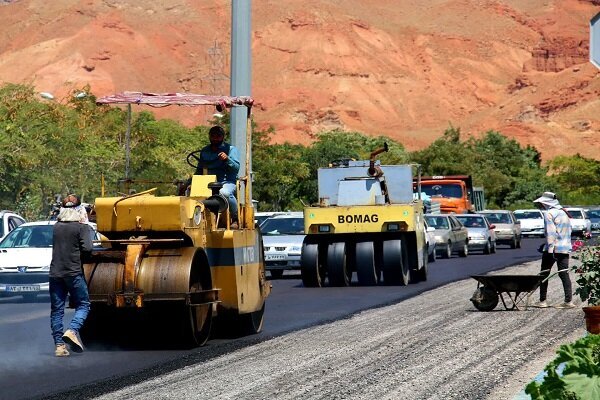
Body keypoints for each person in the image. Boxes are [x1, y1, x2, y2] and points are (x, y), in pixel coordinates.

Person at [49, 194, 94, 356]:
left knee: (57, 310)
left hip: (55, 273)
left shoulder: (56, 227)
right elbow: (88, 249)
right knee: (84, 304)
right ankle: (72, 330)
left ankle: (59, 347)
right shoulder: (81, 228)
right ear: (78, 209)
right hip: (73, 273)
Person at [533, 191, 574, 309]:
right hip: (565, 248)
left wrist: (550, 249)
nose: (541, 205)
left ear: (546, 202)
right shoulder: (564, 213)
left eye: (541, 203)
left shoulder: (549, 213)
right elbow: (567, 232)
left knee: (544, 273)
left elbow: (551, 233)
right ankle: (568, 301)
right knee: (564, 274)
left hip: (553, 249)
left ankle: (543, 300)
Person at [195, 125, 240, 228]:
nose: (215, 138)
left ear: (223, 137)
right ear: (209, 136)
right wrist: (189, 182)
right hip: (207, 182)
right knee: (189, 193)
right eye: (213, 136)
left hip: (225, 181)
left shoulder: (231, 150)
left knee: (225, 193)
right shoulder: (205, 150)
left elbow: (236, 168)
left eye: (218, 136)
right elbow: (199, 169)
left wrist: (227, 159)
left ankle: (235, 218)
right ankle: (196, 221)